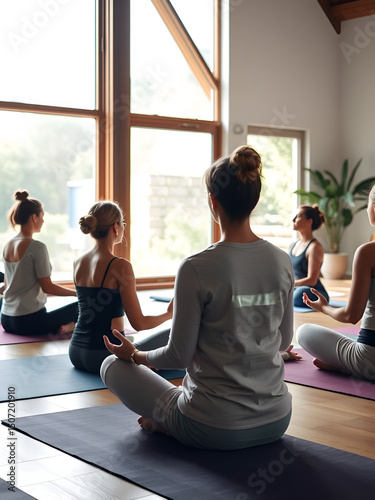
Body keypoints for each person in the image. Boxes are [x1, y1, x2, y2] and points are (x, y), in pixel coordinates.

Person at [100, 145, 295, 451]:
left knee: (111, 366)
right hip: (277, 420)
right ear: (254, 200)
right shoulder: (282, 260)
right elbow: (284, 342)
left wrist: (135, 356)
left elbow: (177, 357)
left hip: (214, 427)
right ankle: (172, 418)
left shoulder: (196, 266)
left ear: (212, 200)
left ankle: (169, 424)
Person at [69, 200, 173, 374]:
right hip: (105, 355)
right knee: (172, 335)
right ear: (116, 227)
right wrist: (169, 314)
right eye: (123, 223)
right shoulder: (120, 266)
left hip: (76, 352)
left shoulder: (78, 262)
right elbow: (139, 323)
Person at [296, 184, 375, 381]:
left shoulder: (367, 252)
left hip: (369, 360)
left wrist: (324, 307)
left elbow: (351, 315)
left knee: (304, 331)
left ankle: (347, 366)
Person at [1, 190, 78, 335]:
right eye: (42, 216)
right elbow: (47, 287)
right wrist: (77, 293)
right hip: (28, 322)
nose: (43, 221)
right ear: (34, 217)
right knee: (84, 305)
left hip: (6, 319)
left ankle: (69, 326)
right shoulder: (37, 247)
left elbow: (6, 286)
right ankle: (70, 326)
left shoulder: (8, 245)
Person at [289, 205, 329, 308]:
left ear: (309, 221)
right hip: (295, 287)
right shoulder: (293, 245)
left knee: (298, 295)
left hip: (313, 291)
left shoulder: (315, 247)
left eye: (298, 216)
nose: (293, 219)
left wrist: (289, 285)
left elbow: (312, 280)